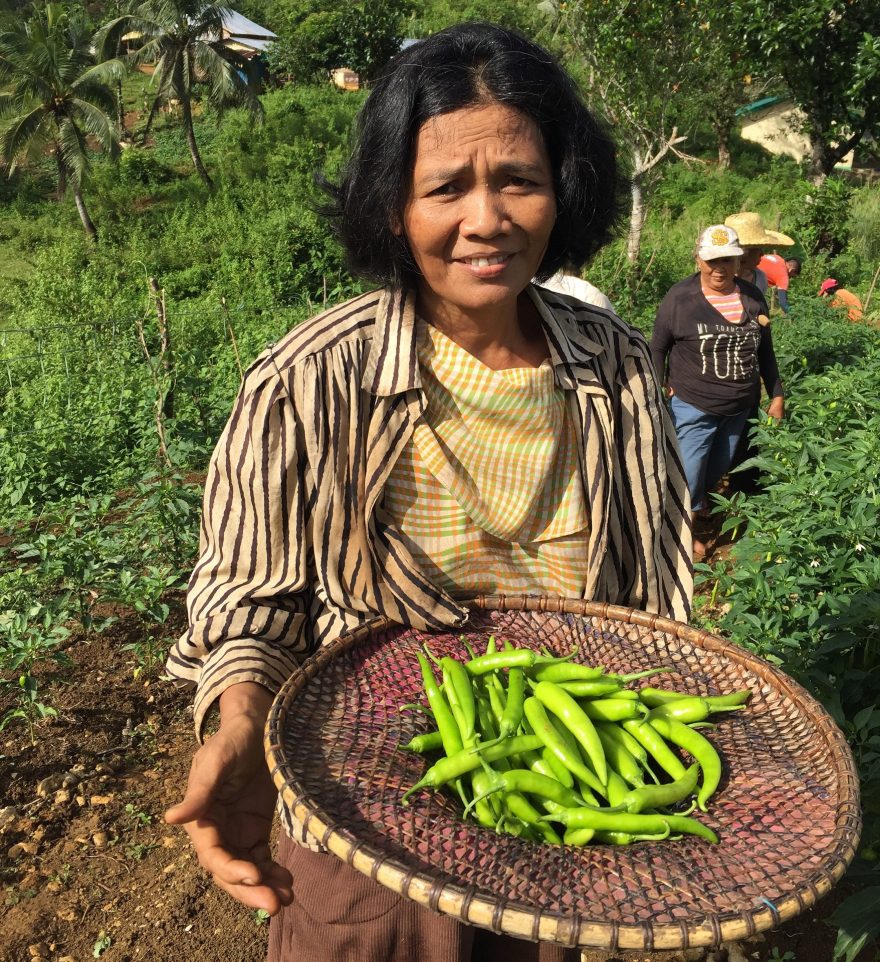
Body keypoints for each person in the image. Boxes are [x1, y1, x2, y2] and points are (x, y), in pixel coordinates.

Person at [164, 23, 693, 962]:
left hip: (566, 810)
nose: (486, 219)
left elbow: (652, 582)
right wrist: (241, 717)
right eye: (446, 187)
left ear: (562, 190)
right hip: (367, 818)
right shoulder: (311, 380)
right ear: (392, 208)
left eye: (518, 181)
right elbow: (253, 601)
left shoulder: (612, 362)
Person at [650, 224, 785, 556]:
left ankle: (693, 516)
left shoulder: (752, 297)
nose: (719, 268)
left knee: (714, 471)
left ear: (738, 262)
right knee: (690, 475)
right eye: (712, 260)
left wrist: (777, 394)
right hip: (693, 405)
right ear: (698, 259)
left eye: (727, 260)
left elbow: (765, 350)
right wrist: (656, 387)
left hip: (738, 409)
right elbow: (657, 348)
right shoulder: (680, 299)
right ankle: (683, 535)